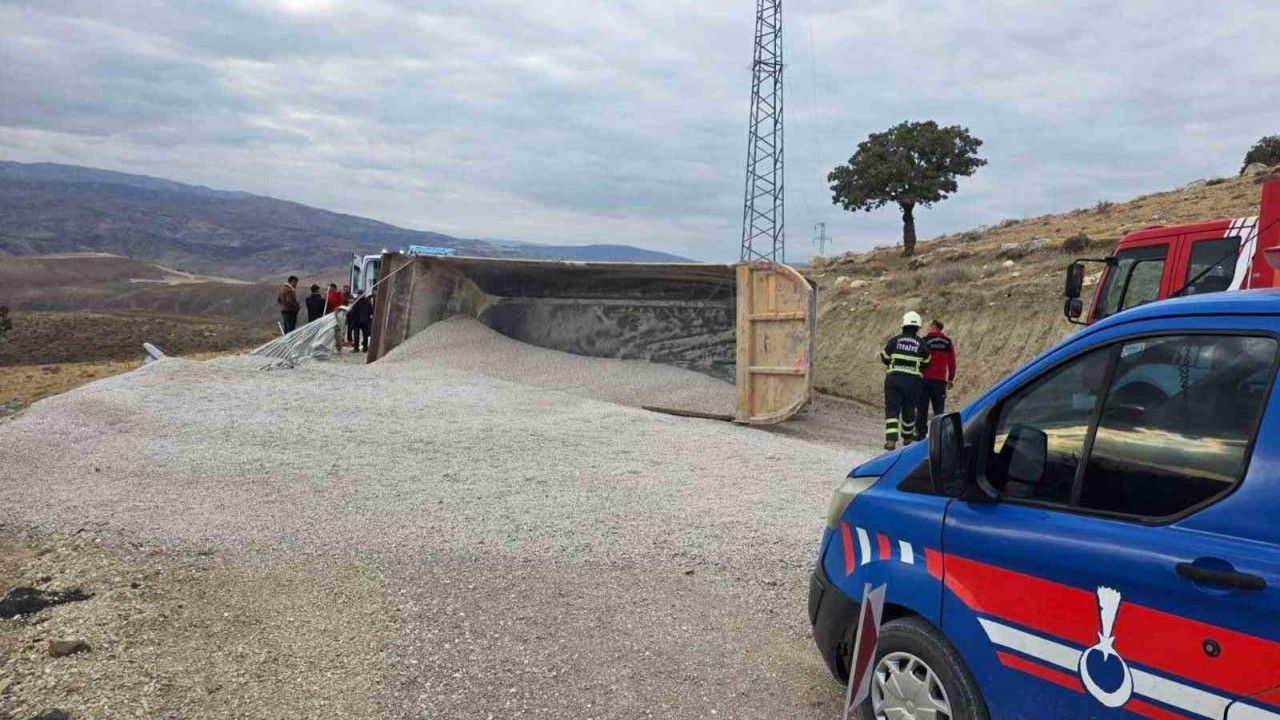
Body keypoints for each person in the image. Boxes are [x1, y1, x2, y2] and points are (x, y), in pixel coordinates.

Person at [879, 310, 931, 451]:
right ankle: (907, 438)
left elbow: (884, 357)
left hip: (893, 380)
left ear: (903, 325)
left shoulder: (894, 341)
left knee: (892, 409)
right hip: (913, 382)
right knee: (909, 409)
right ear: (918, 327)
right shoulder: (922, 344)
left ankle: (890, 440)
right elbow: (927, 362)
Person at [917, 319, 958, 440]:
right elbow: (952, 363)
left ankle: (920, 435)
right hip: (940, 381)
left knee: (922, 408)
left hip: (924, 379)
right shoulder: (947, 342)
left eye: (929, 326)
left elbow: (918, 359)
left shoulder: (924, 340)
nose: (928, 328)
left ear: (933, 326)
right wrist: (950, 379)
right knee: (939, 409)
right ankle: (939, 436)